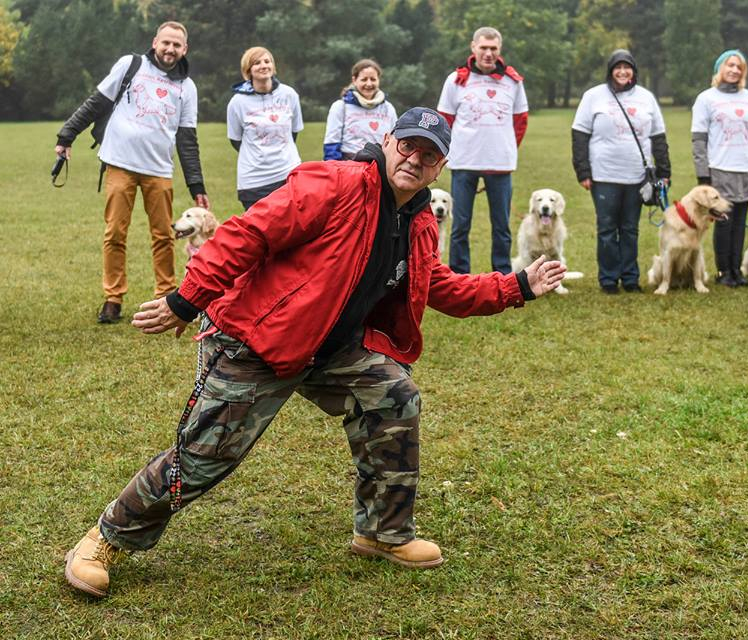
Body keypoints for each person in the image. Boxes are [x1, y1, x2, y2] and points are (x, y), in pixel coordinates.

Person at [62, 107, 567, 598]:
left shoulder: (418, 222)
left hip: (330, 347)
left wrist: (517, 285)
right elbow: (247, 233)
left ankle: (383, 533)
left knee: (393, 395)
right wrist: (185, 300)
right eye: (408, 145)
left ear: (441, 168)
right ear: (389, 142)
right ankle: (105, 538)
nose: (415, 158)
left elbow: (439, 285)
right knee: (204, 458)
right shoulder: (337, 183)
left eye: (429, 154)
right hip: (259, 341)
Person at [55, 21, 208, 324]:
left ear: (185, 49)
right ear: (155, 42)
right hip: (120, 163)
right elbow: (96, 102)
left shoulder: (186, 87)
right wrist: (66, 135)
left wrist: (197, 185)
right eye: (166, 43)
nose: (170, 49)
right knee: (115, 233)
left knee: (165, 235)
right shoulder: (131, 65)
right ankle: (113, 298)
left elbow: (187, 139)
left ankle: (165, 294)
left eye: (177, 45)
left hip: (158, 169)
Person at [571, 49, 671, 293]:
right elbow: (579, 135)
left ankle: (629, 278)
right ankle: (608, 279)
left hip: (637, 176)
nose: (623, 72)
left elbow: (658, 137)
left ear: (634, 71)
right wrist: (583, 171)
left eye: (627, 67)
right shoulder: (594, 96)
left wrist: (664, 171)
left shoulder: (646, 98)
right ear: (610, 70)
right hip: (603, 175)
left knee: (630, 229)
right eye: (618, 67)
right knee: (606, 229)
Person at [437, 26, 529, 275]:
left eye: (493, 48)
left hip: (500, 163)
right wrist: (450, 152)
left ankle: (501, 273)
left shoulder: (513, 81)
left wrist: (504, 146)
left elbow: (520, 121)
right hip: (463, 162)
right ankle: (458, 274)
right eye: (483, 48)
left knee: (501, 225)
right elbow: (445, 120)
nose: (488, 53)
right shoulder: (456, 80)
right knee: (461, 225)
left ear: (499, 49)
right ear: (473, 47)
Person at [691, 50, 748, 288]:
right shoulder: (706, 99)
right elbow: (699, 139)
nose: (734, 70)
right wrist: (703, 172)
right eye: (730, 65)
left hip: (747, 167)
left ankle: (736, 269)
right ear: (720, 68)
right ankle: (723, 271)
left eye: (739, 67)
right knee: (724, 221)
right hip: (720, 167)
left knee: (741, 221)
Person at [227, 47, 304, 211]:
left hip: (289, 174)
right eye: (257, 63)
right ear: (248, 70)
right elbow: (235, 140)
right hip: (254, 181)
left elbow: (294, 132)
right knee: (260, 234)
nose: (263, 66)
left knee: (293, 230)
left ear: (273, 66)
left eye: (267, 61)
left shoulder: (289, 95)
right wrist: (259, 154)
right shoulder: (237, 102)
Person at [323, 59, 397, 161]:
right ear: (354, 80)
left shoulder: (388, 108)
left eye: (373, 79)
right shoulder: (340, 107)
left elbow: (394, 141)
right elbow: (332, 143)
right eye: (364, 79)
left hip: (380, 166)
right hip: (349, 166)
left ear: (378, 80)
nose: (369, 83)